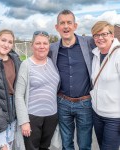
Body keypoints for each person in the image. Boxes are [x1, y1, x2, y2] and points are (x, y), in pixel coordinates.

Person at [49, 9, 96, 150]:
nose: (66, 26)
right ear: (57, 27)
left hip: (85, 103)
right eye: (62, 23)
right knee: (66, 144)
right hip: (62, 103)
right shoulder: (52, 49)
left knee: (85, 145)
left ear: (75, 26)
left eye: (69, 22)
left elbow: (107, 43)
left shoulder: (88, 43)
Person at [15, 31, 60, 150]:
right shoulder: (26, 65)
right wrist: (24, 121)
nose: (42, 46)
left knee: (45, 148)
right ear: (32, 45)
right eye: (38, 43)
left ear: (49, 46)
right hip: (33, 117)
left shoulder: (52, 62)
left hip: (51, 116)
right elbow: (19, 95)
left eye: (45, 43)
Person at [90, 21, 120, 150]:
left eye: (104, 34)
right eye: (96, 35)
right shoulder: (96, 54)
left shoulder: (118, 55)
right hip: (97, 114)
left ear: (112, 35)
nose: (100, 38)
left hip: (114, 117)